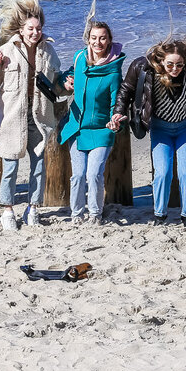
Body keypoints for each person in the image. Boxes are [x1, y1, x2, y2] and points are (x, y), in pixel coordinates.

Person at [0, 0, 63, 232]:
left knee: (39, 166)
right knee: (11, 166)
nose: (35, 32)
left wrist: (66, 85)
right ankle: (7, 211)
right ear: (21, 28)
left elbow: (55, 85)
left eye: (38, 28)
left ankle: (33, 208)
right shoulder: (5, 50)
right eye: (30, 28)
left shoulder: (49, 52)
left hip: (40, 116)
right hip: (12, 118)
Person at [110, 39, 186, 226]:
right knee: (162, 173)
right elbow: (126, 89)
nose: (174, 68)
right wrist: (118, 112)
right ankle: (160, 215)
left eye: (179, 65)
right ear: (161, 60)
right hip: (160, 129)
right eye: (170, 64)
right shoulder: (143, 68)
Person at [58, 19, 126, 226]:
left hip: (101, 130)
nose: (98, 42)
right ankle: (77, 214)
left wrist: (116, 122)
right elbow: (67, 74)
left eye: (102, 38)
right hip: (77, 127)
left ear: (109, 41)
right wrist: (65, 80)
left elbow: (118, 105)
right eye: (94, 38)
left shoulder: (113, 72)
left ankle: (95, 214)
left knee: (94, 173)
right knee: (78, 175)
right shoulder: (79, 58)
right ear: (88, 39)